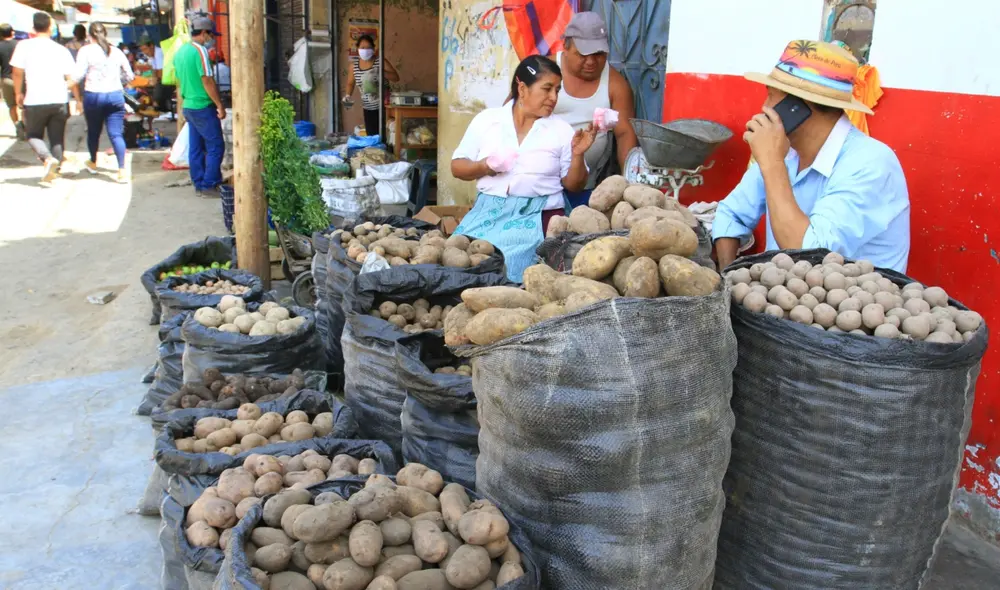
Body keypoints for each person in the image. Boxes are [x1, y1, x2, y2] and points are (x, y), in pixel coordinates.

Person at [713, 40, 910, 272]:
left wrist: (772, 164)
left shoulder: (871, 162)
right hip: (781, 297)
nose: (763, 107)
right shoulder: (786, 151)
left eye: (770, 96)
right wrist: (727, 277)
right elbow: (731, 214)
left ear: (798, 106)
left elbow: (808, 254)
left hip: (852, 304)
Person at [451, 55, 596, 282]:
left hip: (537, 216)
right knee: (457, 258)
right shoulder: (488, 121)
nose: (553, 97)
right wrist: (484, 166)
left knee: (507, 269)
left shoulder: (561, 130)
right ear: (522, 88)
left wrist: (578, 154)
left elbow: (575, 185)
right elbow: (457, 167)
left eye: (557, 90)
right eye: (547, 89)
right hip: (488, 211)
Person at [553, 11, 638, 208]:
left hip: (585, 187)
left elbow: (625, 134)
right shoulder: (546, 69)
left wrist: (629, 185)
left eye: (598, 54)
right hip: (540, 183)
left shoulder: (615, 84)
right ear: (565, 46)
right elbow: (514, 114)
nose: (591, 62)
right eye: (582, 54)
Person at [10, 12, 80, 186]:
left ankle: (47, 159)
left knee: (32, 135)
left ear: (33, 28)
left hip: (35, 100)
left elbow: (17, 72)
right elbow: (71, 78)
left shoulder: (23, 46)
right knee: (56, 137)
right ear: (50, 27)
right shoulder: (61, 49)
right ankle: (54, 171)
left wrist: (18, 93)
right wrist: (76, 97)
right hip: (59, 99)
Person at [173, 16, 227, 198]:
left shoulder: (180, 52)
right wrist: (219, 104)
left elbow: (180, 80)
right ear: (204, 33)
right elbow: (207, 79)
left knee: (196, 146)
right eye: (210, 35)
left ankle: (199, 182)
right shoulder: (200, 51)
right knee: (216, 146)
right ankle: (209, 184)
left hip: (188, 104)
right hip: (202, 105)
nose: (211, 39)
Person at [74, 22, 133, 183]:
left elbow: (77, 76)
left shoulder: (85, 51)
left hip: (94, 96)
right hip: (115, 96)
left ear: (89, 35)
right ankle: (121, 170)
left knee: (93, 132)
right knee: (116, 134)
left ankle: (93, 163)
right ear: (105, 33)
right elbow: (130, 76)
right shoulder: (117, 51)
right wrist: (118, 81)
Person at [342, 34, 398, 137]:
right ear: (358, 48)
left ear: (373, 49)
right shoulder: (354, 66)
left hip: (385, 107)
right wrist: (347, 96)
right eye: (363, 47)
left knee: (388, 136)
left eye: (369, 47)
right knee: (372, 136)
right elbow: (350, 83)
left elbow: (396, 77)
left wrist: (380, 72)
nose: (365, 50)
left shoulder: (380, 61)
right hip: (368, 108)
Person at [0, 23, 23, 139]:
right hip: (21, 79)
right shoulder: (20, 45)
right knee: (24, 106)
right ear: (12, 32)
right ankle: (25, 126)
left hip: (6, 79)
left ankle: (17, 125)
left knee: (12, 106)